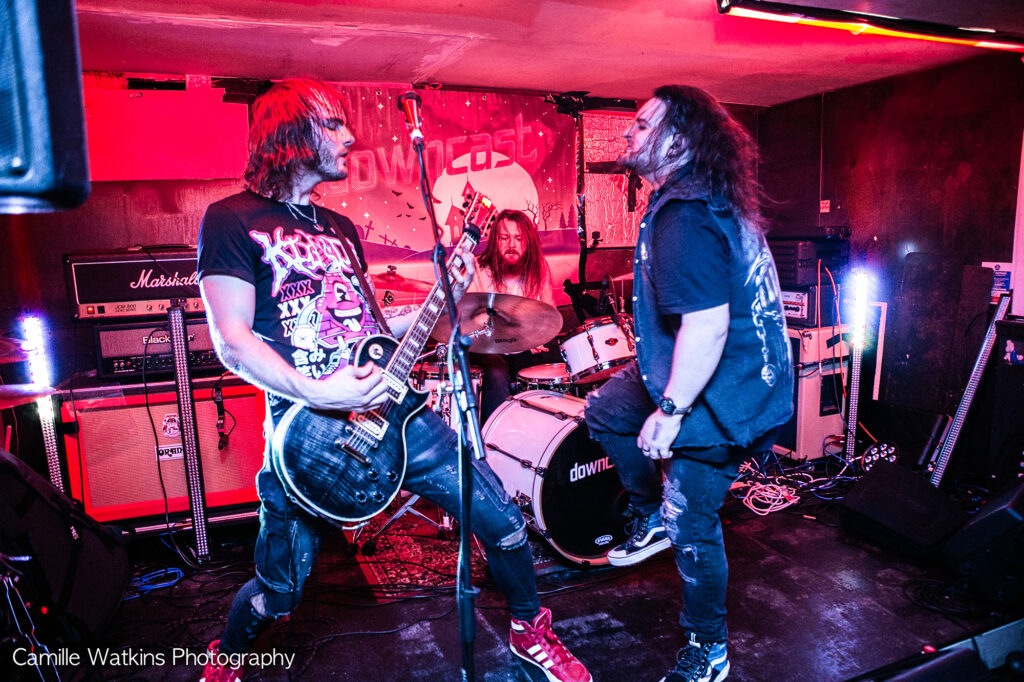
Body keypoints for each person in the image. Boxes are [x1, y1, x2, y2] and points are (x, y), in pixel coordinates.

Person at [196, 78, 591, 682]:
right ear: (291, 136)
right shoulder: (230, 221)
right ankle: (227, 659)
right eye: (333, 125)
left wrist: (449, 298)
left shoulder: (340, 228)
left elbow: (377, 331)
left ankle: (527, 630)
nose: (350, 137)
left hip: (397, 413)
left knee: (504, 522)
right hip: (307, 431)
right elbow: (232, 339)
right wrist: (321, 391)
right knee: (281, 589)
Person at [583, 85, 793, 682]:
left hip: (722, 392)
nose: (629, 132)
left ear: (678, 141)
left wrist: (671, 411)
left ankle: (709, 649)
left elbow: (707, 325)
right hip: (706, 369)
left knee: (691, 521)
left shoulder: (685, 215)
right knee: (606, 413)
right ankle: (647, 511)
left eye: (644, 125)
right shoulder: (703, 200)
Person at [470, 209, 561, 420]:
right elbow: (471, 322)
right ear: (495, 241)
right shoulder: (478, 268)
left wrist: (539, 337)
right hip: (489, 348)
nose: (512, 244)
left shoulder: (539, 268)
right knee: (496, 371)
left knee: (561, 357)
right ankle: (496, 439)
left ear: (528, 241)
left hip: (525, 347)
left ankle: (554, 429)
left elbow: (549, 315)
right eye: (504, 238)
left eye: (519, 238)